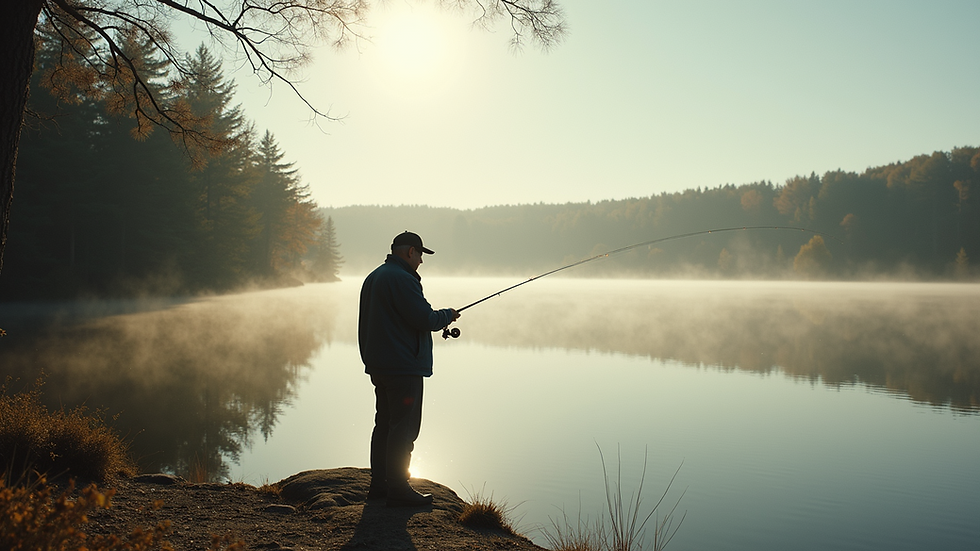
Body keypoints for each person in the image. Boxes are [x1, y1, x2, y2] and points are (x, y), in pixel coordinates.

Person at [358, 231, 460, 507]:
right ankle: (399, 489)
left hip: (380, 365)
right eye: (420, 255)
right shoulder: (402, 279)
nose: (421, 262)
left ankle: (379, 486)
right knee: (404, 429)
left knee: (384, 426)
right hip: (403, 366)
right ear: (410, 252)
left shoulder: (375, 276)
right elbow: (424, 317)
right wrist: (447, 315)